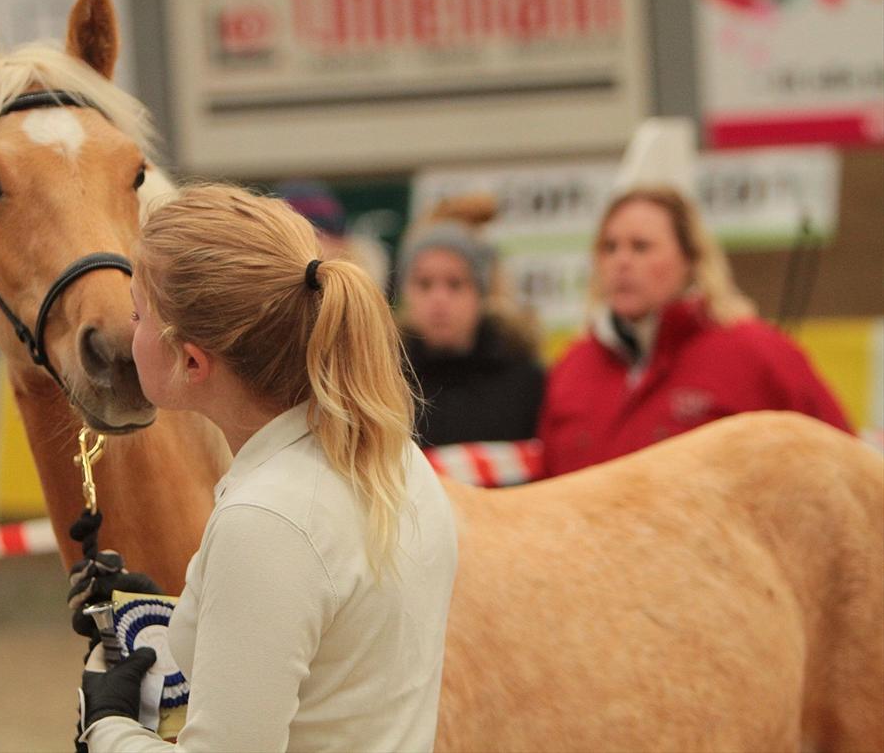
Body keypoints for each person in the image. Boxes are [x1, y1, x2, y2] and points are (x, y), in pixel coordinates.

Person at [71, 183, 458, 752]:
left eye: (138, 314)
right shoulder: (391, 455)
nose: (130, 333)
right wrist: (164, 613)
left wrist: (106, 726)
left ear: (192, 362)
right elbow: (325, 654)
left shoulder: (268, 519)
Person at [538, 186, 852, 477]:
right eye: (609, 247)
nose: (622, 261)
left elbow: (845, 467)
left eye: (641, 247)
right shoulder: (572, 369)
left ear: (690, 259)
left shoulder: (757, 354)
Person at [398, 221, 545, 447]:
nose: (439, 299)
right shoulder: (387, 383)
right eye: (424, 284)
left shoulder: (525, 383)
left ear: (481, 294)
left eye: (455, 284)